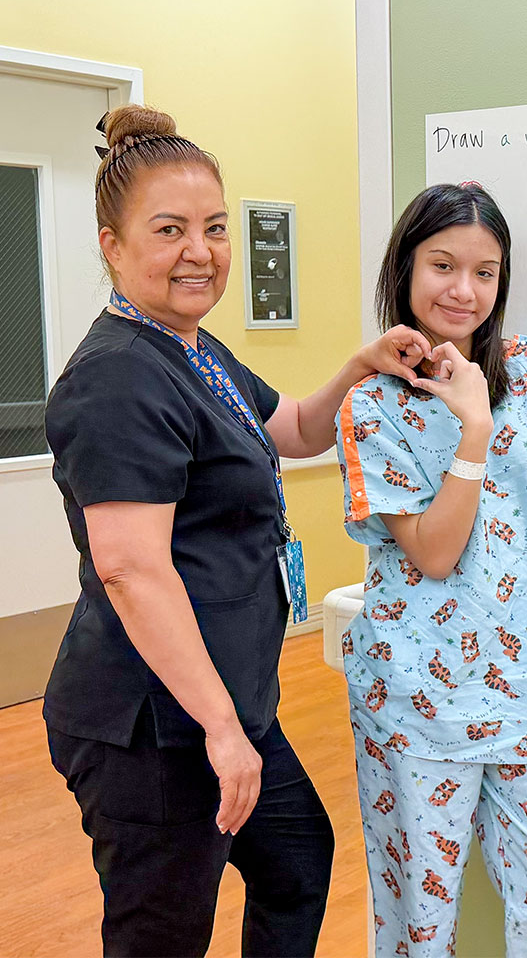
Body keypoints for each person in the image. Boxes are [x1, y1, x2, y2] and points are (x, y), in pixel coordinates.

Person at [43, 104, 432, 958]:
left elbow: (290, 428)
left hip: (227, 700)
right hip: (157, 724)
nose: (201, 251)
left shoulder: (190, 346)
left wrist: (359, 368)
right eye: (170, 229)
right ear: (111, 245)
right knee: (162, 934)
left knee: (295, 860)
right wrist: (222, 728)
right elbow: (131, 571)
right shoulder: (114, 381)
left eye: (215, 228)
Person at [335, 183, 527, 958]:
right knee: (416, 931)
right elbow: (433, 553)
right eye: (442, 265)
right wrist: (473, 427)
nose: (463, 290)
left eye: (485, 272)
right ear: (404, 269)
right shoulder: (370, 404)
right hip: (415, 702)